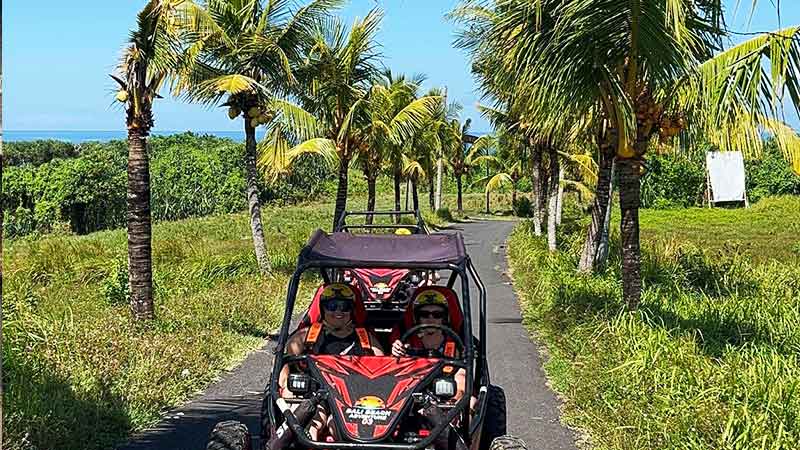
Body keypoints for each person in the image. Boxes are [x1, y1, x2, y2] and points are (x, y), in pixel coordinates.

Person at [279, 283, 383, 440]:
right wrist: (286, 384)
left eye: (344, 306)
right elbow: (283, 364)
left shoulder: (366, 339)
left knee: (338, 426)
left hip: (353, 400)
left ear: (352, 310)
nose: (338, 312)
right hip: (316, 394)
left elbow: (384, 369)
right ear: (323, 308)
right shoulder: (306, 336)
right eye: (332, 306)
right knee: (313, 424)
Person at [391, 288, 467, 402]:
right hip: (410, 390)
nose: (431, 319)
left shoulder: (453, 341)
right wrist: (396, 352)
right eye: (424, 314)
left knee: (471, 402)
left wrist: (453, 402)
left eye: (437, 315)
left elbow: (462, 373)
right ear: (417, 317)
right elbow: (392, 372)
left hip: (446, 390)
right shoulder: (407, 340)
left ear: (444, 318)